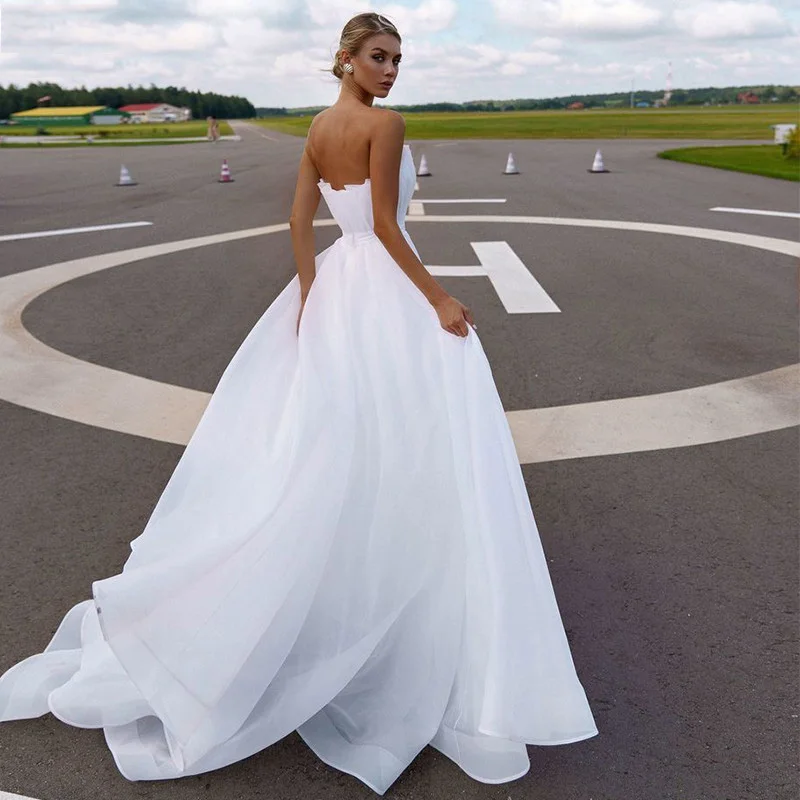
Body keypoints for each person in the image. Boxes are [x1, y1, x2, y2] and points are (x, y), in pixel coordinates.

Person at [0, 11, 598, 797]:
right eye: (378, 57)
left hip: (340, 289)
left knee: (329, 445)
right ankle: (401, 604)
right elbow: (385, 226)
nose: (390, 71)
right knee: (415, 441)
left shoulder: (318, 126)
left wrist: (313, 296)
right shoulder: (385, 126)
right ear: (346, 59)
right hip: (386, 287)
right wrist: (440, 299)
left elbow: (298, 220)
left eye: (397, 59)